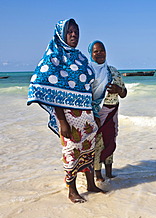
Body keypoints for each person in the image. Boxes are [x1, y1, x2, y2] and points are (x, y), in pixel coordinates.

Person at [27, 18, 104, 203]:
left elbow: (89, 89)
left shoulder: (80, 57)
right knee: (71, 152)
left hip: (86, 115)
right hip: (68, 117)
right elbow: (45, 86)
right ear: (61, 34)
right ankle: (72, 191)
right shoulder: (54, 57)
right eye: (69, 31)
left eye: (76, 31)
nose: (74, 34)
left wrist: (94, 114)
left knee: (88, 150)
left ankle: (91, 184)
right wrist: (61, 120)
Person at [88, 40, 127, 182]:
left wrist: (119, 90)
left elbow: (124, 93)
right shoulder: (87, 72)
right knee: (97, 143)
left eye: (102, 50)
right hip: (96, 112)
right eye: (96, 51)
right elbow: (85, 96)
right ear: (90, 54)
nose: (99, 53)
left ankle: (109, 173)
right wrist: (94, 114)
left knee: (110, 140)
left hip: (112, 111)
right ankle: (98, 175)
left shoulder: (113, 71)